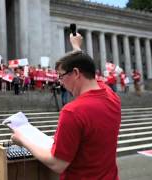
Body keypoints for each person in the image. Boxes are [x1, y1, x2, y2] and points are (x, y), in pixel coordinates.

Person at [11, 33, 121, 180]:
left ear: (75, 73)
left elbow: (58, 164)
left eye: (61, 76)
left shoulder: (73, 112)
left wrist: (23, 140)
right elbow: (86, 66)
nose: (60, 82)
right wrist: (76, 47)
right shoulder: (111, 96)